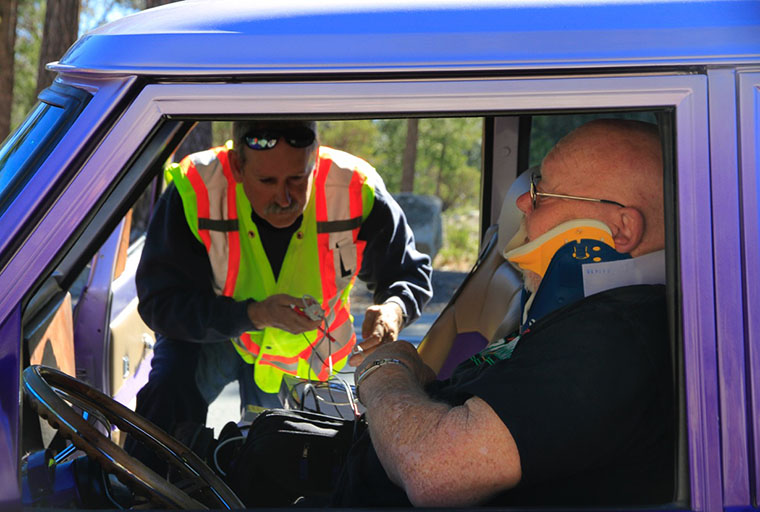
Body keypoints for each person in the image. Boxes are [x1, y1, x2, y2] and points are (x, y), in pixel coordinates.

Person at [329, 119, 674, 507]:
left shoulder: (613, 338)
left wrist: (383, 371)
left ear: (622, 228)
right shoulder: (596, 319)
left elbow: (435, 471)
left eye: (541, 193)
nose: (523, 202)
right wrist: (413, 380)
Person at [127, 120, 432, 473]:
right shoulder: (196, 188)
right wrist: (254, 314)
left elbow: (408, 273)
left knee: (287, 463)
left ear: (315, 159)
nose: (284, 198)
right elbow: (160, 304)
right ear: (238, 168)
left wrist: (394, 308)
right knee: (167, 392)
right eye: (267, 182)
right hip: (217, 335)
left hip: (305, 356)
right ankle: (145, 487)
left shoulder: (356, 187)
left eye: (297, 180)